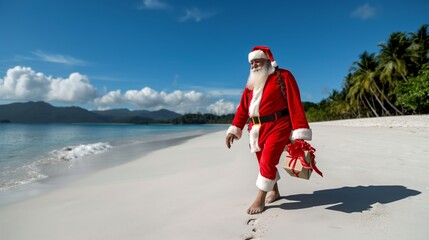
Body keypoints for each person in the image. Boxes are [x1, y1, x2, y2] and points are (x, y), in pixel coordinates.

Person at [225, 46, 312, 215]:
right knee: (263, 162)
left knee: (267, 160)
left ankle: (260, 197)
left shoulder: (283, 76)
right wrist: (234, 130)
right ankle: (275, 191)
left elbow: (295, 103)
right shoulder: (250, 84)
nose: (254, 65)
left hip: (279, 125)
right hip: (256, 129)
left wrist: (300, 130)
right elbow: (243, 108)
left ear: (267, 61)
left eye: (257, 61)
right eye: (251, 62)